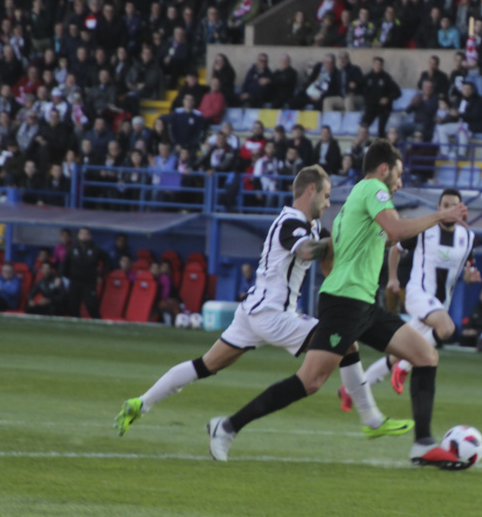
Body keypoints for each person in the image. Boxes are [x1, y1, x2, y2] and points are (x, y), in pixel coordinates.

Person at [204, 142, 469, 467]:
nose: (400, 183)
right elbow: (396, 230)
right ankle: (227, 426)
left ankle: (423, 444)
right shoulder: (374, 188)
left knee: (425, 355)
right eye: (398, 175)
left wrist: (413, 229)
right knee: (310, 381)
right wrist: (441, 215)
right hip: (344, 303)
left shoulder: (360, 198)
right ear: (384, 169)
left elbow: (386, 238)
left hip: (362, 304)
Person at [114, 167, 399, 437]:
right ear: (310, 190)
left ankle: (141, 402)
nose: (327, 205)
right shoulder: (291, 222)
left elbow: (346, 242)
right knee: (346, 342)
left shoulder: (311, 226)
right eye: (325, 197)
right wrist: (336, 243)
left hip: (251, 312)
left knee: (206, 365)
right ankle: (371, 418)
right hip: (272, 315)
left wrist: (384, 234)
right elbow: (307, 252)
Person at [358, 189, 480, 400]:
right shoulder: (425, 230)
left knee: (398, 353)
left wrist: (470, 278)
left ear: (461, 210)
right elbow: (396, 248)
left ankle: (354, 390)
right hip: (418, 294)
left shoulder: (467, 238)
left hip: (440, 305)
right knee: (446, 328)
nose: (450, 209)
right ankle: (404, 368)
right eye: (446, 205)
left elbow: (468, 270)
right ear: (439, 208)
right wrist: (393, 278)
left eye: (455, 206)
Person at [360, 57, 401, 138]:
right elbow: (360, 89)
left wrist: (388, 98)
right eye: (376, 64)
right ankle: (361, 146)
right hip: (371, 106)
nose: (377, 66)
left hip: (383, 108)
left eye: (380, 65)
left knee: (381, 129)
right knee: (363, 127)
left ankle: (382, 146)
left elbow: (397, 92)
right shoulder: (367, 77)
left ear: (382, 66)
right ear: (373, 65)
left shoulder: (386, 78)